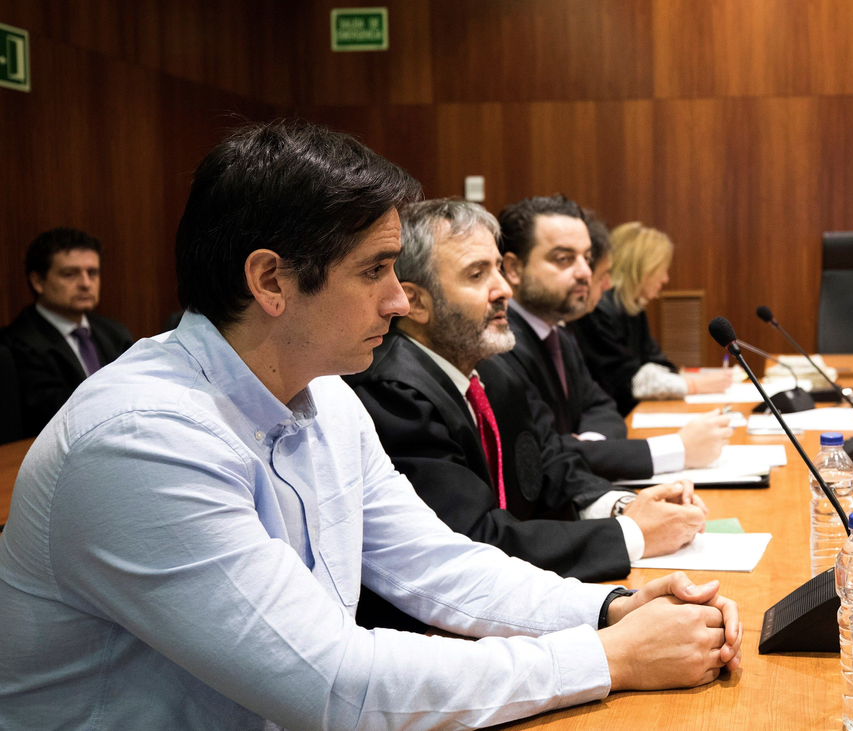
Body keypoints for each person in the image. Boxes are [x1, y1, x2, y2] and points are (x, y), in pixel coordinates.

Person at [0, 122, 741, 730]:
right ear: (271, 281)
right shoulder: (142, 440)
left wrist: (609, 605)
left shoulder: (324, 397)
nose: (398, 300)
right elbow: (332, 683)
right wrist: (608, 657)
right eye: (376, 269)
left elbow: (434, 563)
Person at [345, 198, 709, 628]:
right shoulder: (394, 392)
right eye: (478, 274)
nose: (504, 289)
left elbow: (550, 463)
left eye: (499, 268)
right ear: (415, 302)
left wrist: (625, 506)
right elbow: (474, 540)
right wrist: (632, 534)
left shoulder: (492, 368)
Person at [496, 196, 733, 480]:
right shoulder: (501, 345)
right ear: (513, 269)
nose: (585, 271)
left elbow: (601, 405)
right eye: (564, 259)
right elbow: (545, 456)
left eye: (586, 258)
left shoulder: (558, 333)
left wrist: (591, 446)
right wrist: (678, 448)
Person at [568, 221, 731, 415]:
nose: (665, 279)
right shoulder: (598, 311)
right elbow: (627, 382)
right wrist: (695, 385)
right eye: (661, 269)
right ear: (641, 269)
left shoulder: (633, 307)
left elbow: (657, 361)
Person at [1, 228, 133, 437]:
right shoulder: (15, 345)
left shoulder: (115, 333)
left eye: (92, 273)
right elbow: (56, 413)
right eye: (70, 274)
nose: (85, 284)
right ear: (38, 282)